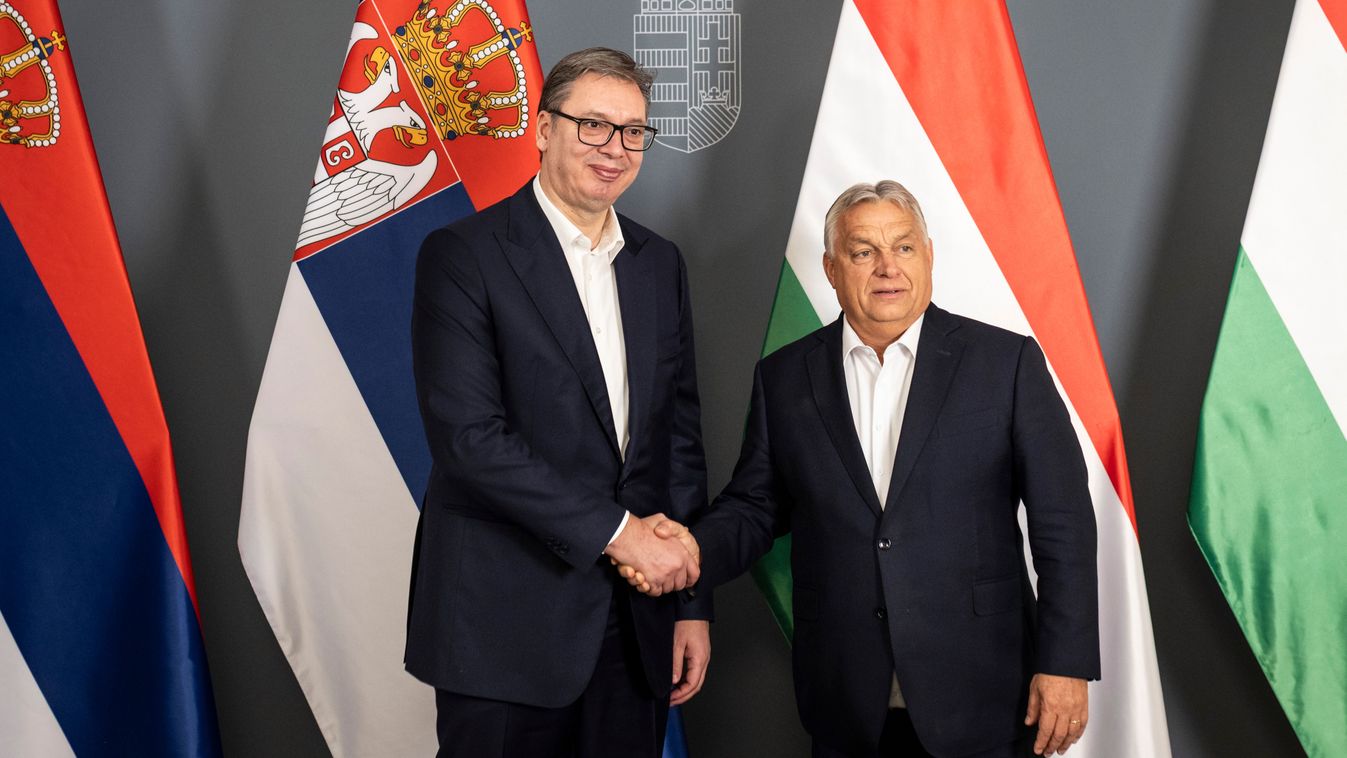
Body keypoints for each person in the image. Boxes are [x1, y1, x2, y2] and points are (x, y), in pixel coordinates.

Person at [625, 181, 1099, 757]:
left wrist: (1066, 662)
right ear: (831, 268)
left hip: (984, 690)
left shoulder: (1006, 363)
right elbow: (755, 507)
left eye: (904, 247)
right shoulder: (785, 377)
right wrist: (692, 551)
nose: (887, 267)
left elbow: (1064, 522)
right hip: (846, 697)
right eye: (863, 251)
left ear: (928, 255)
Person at [404, 47, 710, 758]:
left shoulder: (659, 263)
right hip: (504, 625)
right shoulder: (464, 255)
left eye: (633, 131)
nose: (615, 148)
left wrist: (690, 602)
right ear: (544, 129)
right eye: (593, 125)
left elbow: (677, 442)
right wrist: (621, 534)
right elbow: (469, 439)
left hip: (635, 626)